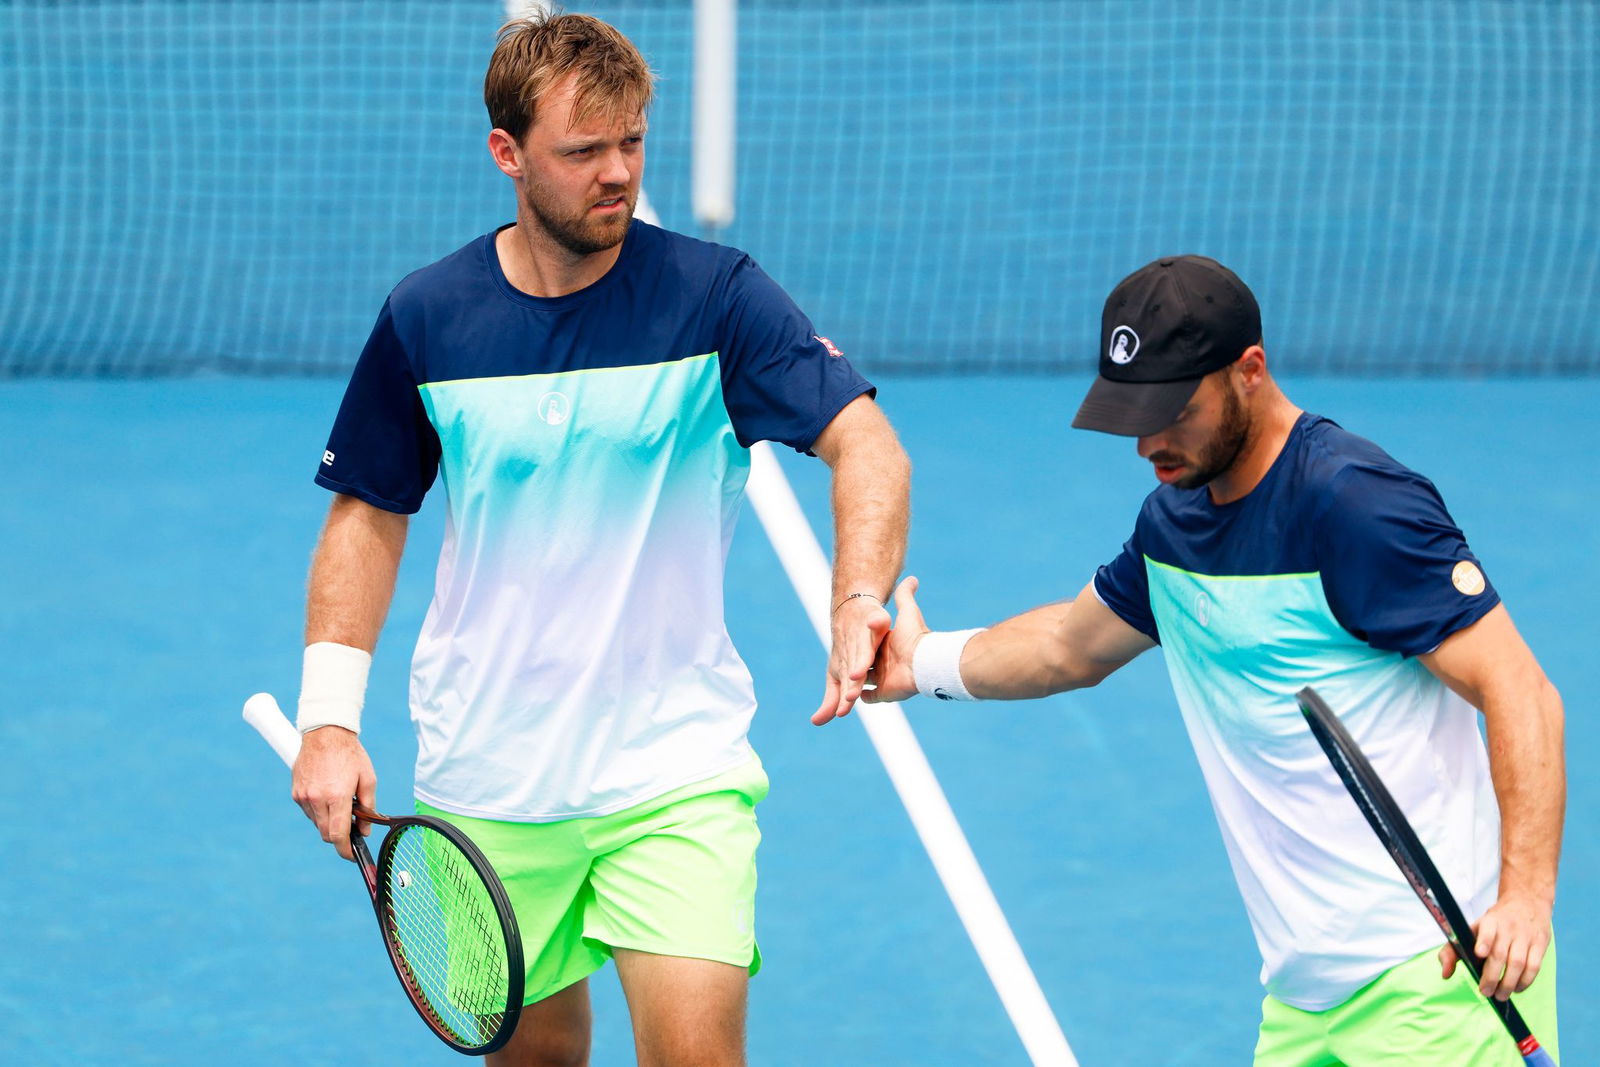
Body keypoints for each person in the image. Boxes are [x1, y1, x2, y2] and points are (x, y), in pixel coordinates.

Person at [290, 13, 909, 1067]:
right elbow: (367, 515)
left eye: (631, 143)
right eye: (584, 151)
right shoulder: (427, 317)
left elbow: (868, 447)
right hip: (490, 775)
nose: (616, 173)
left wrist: (857, 598)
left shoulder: (714, 298)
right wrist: (329, 719)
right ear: (508, 154)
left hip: (673, 769)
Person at [863, 255, 1564, 1064]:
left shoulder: (1355, 504)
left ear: (1249, 372)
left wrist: (1524, 898)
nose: (1147, 441)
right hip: (1303, 1000)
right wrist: (925, 662)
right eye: (1132, 412)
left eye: (1171, 409)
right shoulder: (1175, 523)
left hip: (1434, 979)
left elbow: (1522, 691)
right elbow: (1068, 645)